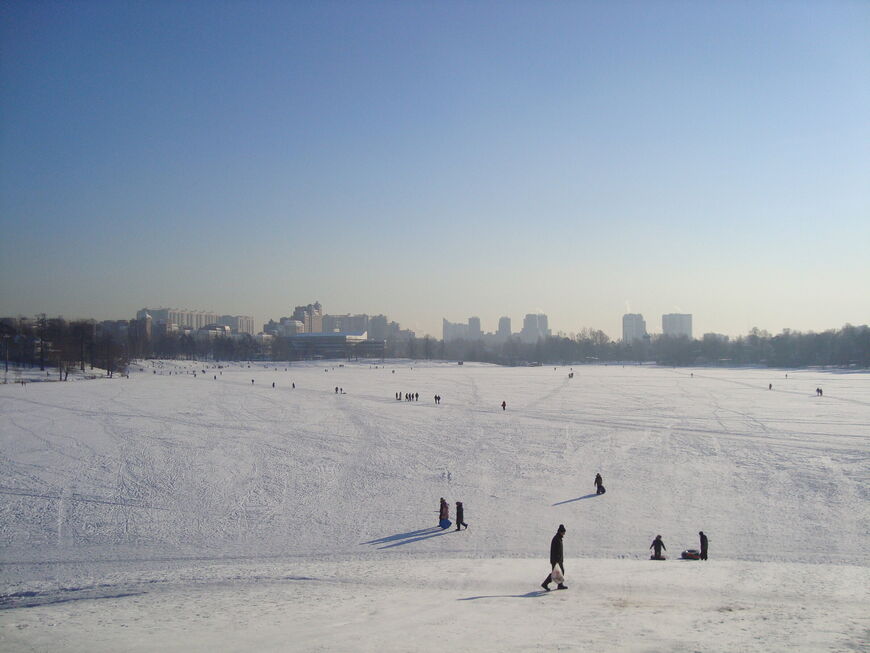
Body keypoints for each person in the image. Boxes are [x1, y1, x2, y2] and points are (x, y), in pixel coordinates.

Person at [541, 524, 567, 590]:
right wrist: (557, 561)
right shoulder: (557, 539)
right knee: (556, 573)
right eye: (563, 532)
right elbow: (555, 551)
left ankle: (559, 585)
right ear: (560, 531)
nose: (564, 533)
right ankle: (545, 584)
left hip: (558, 560)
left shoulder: (558, 538)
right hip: (556, 560)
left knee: (559, 572)